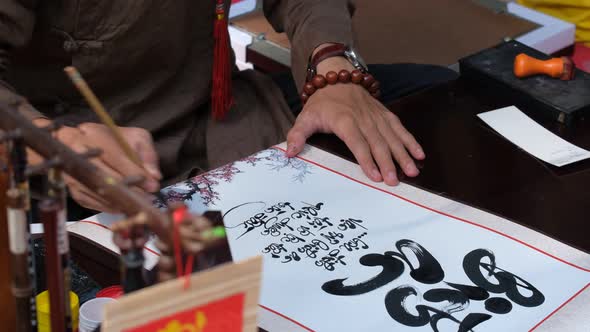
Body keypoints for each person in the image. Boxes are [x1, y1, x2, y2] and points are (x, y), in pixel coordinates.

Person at [1, 0, 456, 214]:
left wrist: (330, 69)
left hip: (215, 119)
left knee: (441, 99)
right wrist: (52, 144)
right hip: (76, 160)